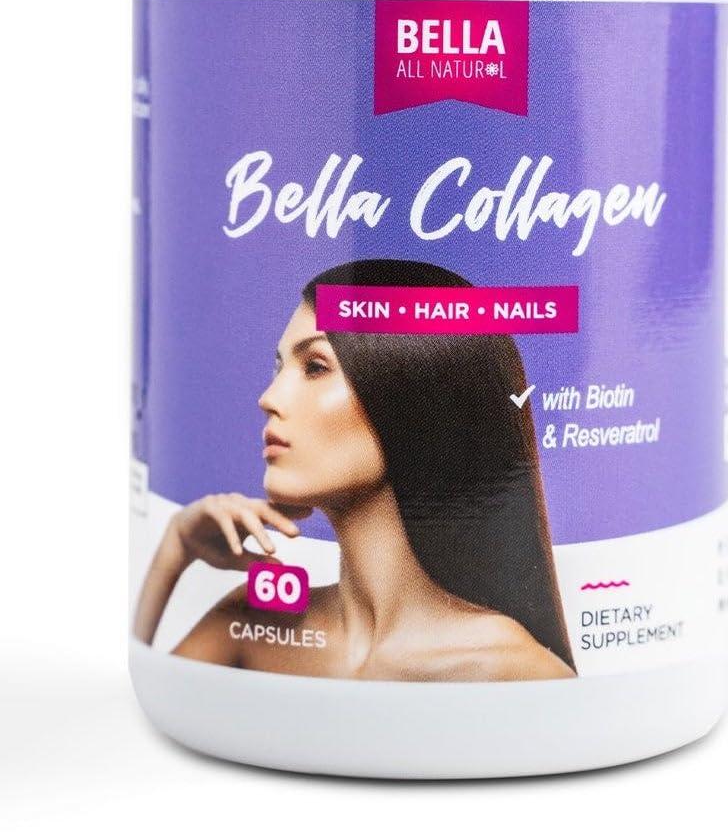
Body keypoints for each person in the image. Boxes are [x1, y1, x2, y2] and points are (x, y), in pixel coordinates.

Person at [134, 259, 576, 681]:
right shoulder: (255, 621)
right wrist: (176, 546)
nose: (269, 398)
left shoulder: (508, 667)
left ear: (412, 401)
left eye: (315, 367)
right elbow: (158, 689)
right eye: (279, 366)